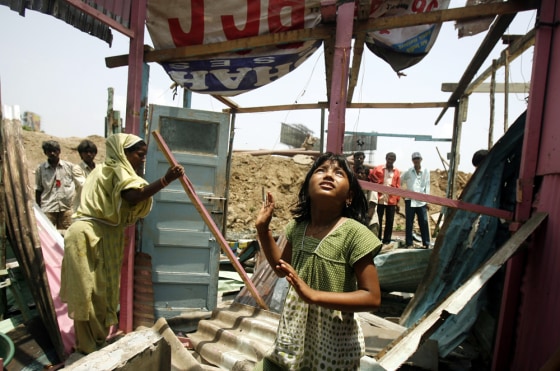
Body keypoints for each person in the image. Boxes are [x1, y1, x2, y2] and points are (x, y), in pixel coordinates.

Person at [254, 152, 381, 370]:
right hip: (294, 332)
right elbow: (281, 268)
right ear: (307, 190)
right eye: (321, 170)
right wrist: (263, 229)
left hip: (333, 339)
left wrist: (314, 296)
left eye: (338, 173)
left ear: (349, 196)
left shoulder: (354, 234)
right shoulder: (298, 228)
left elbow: (372, 297)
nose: (329, 175)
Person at [59, 133, 184, 355]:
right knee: (91, 293)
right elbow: (133, 196)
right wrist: (166, 180)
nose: (142, 160)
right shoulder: (115, 169)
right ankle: (88, 348)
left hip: (98, 234)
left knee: (100, 293)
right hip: (90, 236)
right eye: (139, 155)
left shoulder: (104, 170)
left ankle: (93, 343)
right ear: (123, 153)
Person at [35, 140, 85, 229]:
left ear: (59, 151)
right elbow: (38, 189)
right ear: (45, 152)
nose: (52, 153)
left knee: (67, 235)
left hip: (66, 208)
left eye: (55, 150)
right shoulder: (40, 169)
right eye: (49, 151)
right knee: (48, 234)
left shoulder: (69, 167)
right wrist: (38, 209)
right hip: (48, 208)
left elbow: (80, 184)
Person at [369, 152, 400, 245]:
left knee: (390, 221)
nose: (390, 160)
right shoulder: (378, 169)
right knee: (378, 220)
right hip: (379, 199)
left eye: (392, 159)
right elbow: (371, 178)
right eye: (389, 158)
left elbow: (398, 187)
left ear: (394, 160)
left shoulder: (397, 172)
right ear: (386, 158)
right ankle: (377, 239)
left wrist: (397, 201)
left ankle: (387, 240)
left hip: (391, 200)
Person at [401, 152, 431, 248]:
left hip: (421, 201)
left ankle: (426, 243)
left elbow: (427, 186)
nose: (416, 161)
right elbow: (399, 181)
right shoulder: (409, 171)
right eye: (415, 159)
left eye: (418, 159)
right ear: (412, 160)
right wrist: (402, 193)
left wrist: (427, 200)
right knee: (409, 222)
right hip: (410, 200)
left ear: (421, 159)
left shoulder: (426, 171)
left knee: (424, 222)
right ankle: (409, 243)